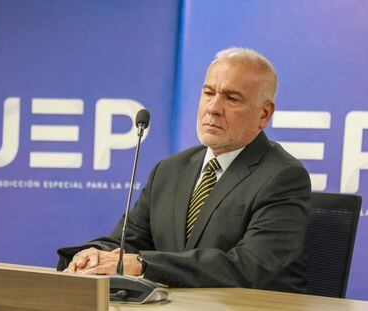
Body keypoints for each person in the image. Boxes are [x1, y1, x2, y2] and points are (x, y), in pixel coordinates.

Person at [57, 47, 311, 294]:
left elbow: (247, 266)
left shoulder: (283, 177)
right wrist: (92, 254)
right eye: (209, 93)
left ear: (264, 114)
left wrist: (143, 264)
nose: (213, 108)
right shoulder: (170, 170)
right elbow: (126, 243)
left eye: (232, 98)